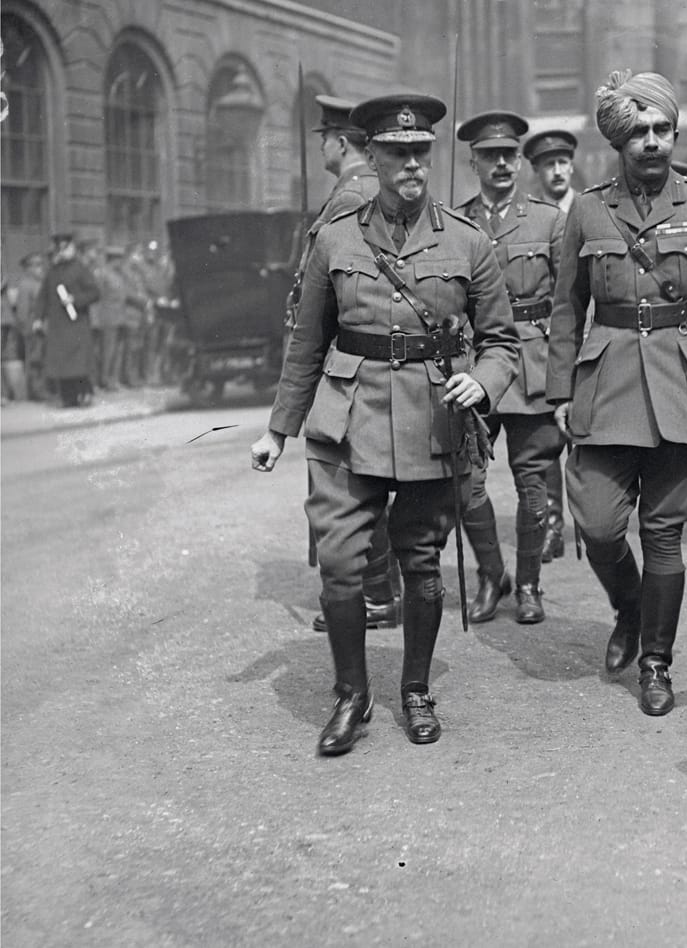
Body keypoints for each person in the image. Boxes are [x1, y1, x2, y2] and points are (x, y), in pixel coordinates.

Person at [250, 92, 520, 756]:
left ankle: (418, 688)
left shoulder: (466, 240)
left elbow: (504, 343)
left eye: (421, 153)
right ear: (370, 155)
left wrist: (480, 386)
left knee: (422, 562)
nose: (412, 166)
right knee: (340, 565)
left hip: (434, 416)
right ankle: (351, 695)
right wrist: (277, 431)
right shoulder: (336, 240)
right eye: (397, 153)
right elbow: (307, 344)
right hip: (346, 418)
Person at [546, 70, 687, 716]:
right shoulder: (588, 209)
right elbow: (567, 307)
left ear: (675, 132)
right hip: (608, 383)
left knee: (663, 532)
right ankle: (629, 607)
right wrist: (561, 388)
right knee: (597, 524)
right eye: (638, 131)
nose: (651, 141)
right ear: (618, 140)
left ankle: (656, 664)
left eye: (661, 129)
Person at [295, 95, 401, 634]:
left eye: (323, 138)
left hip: (347, 356)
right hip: (352, 352)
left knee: (350, 474)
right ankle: (377, 587)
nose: (320, 147)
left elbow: (326, 284)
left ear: (341, 142)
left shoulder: (350, 195)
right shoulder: (357, 190)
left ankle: (373, 591)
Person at [454, 111, 566, 624]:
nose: (501, 163)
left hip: (534, 366)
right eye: (489, 156)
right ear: (472, 161)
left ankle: (528, 584)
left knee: (533, 484)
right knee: (466, 481)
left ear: (520, 161)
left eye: (509, 155)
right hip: (477, 367)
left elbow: (570, 304)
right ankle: (491, 574)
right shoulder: (454, 223)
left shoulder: (548, 220)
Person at [522, 128, 580, 561]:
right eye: (548, 165)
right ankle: (553, 523)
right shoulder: (534, 217)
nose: (557, 171)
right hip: (548, 340)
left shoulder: (590, 209)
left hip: (591, 334)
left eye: (563, 163)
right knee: (548, 440)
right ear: (537, 171)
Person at [36, 232, 100, 407]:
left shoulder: (80, 269)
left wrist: (75, 299)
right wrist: (38, 318)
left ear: (72, 249)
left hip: (76, 323)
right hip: (58, 326)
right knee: (62, 365)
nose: (62, 252)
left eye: (66, 248)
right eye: (59, 248)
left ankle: (84, 394)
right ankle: (67, 398)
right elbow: (43, 296)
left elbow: (94, 293)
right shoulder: (53, 271)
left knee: (78, 364)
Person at [93, 246, 129, 391]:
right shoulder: (102, 274)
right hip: (107, 318)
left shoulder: (119, 275)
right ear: (112, 259)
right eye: (119, 259)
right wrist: (96, 319)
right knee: (107, 351)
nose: (121, 262)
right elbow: (97, 298)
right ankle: (104, 379)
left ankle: (113, 379)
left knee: (117, 351)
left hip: (120, 316)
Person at [13, 252, 48, 400]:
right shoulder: (25, 285)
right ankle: (36, 392)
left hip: (45, 329)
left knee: (43, 361)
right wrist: (28, 331)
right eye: (36, 265)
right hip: (34, 331)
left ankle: (43, 389)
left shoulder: (41, 283)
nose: (40, 268)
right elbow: (22, 313)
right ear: (28, 268)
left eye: (41, 264)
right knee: (35, 362)